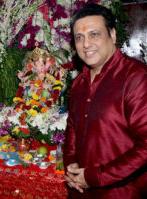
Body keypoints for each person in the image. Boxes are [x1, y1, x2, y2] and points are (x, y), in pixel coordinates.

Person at [63, 3, 147, 198]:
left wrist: (96, 177)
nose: (86, 44)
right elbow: (72, 131)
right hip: (81, 192)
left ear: (113, 35)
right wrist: (71, 164)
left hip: (122, 193)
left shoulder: (136, 78)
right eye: (79, 37)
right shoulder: (79, 83)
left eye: (94, 34)